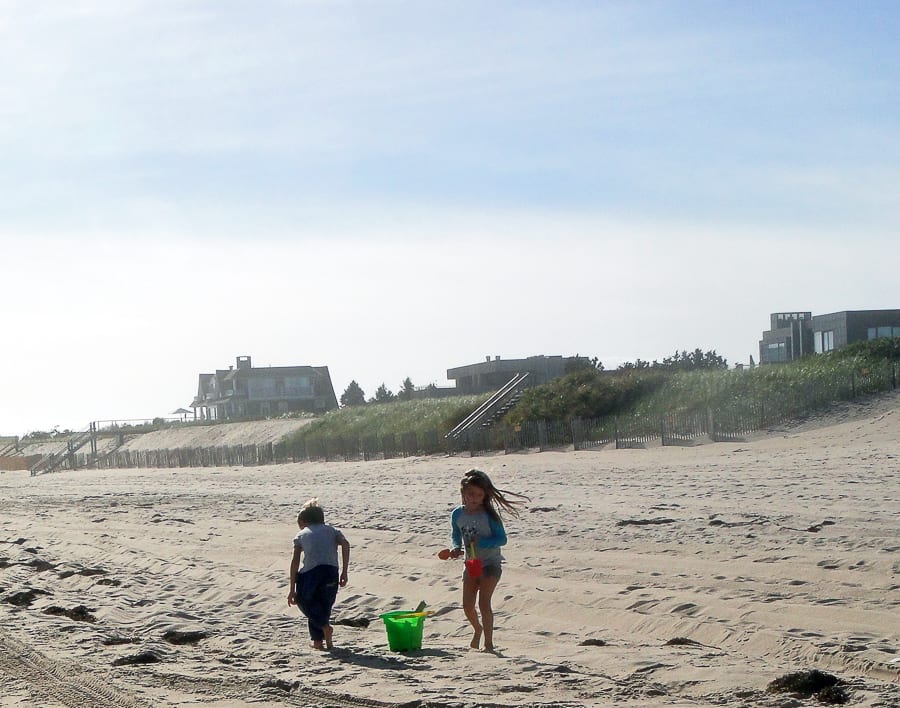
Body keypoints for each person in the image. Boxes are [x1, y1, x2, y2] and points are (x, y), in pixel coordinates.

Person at [448, 469, 529, 652]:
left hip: (491, 564)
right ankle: (477, 629)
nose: (475, 498)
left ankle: (489, 644)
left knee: (484, 604)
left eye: (479, 495)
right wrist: (455, 547)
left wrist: (482, 542)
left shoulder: (489, 515)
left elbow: (502, 539)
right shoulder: (457, 514)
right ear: (463, 493)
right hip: (470, 564)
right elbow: (455, 534)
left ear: (484, 496)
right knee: (468, 606)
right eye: (471, 494)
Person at [287, 498, 350, 650]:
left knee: (304, 600)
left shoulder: (301, 534)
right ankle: (319, 642)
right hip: (331, 572)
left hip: (311, 573)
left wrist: (292, 589)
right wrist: (344, 571)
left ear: (303, 522)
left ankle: (324, 627)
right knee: (323, 605)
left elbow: (295, 563)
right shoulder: (332, 530)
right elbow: (345, 544)